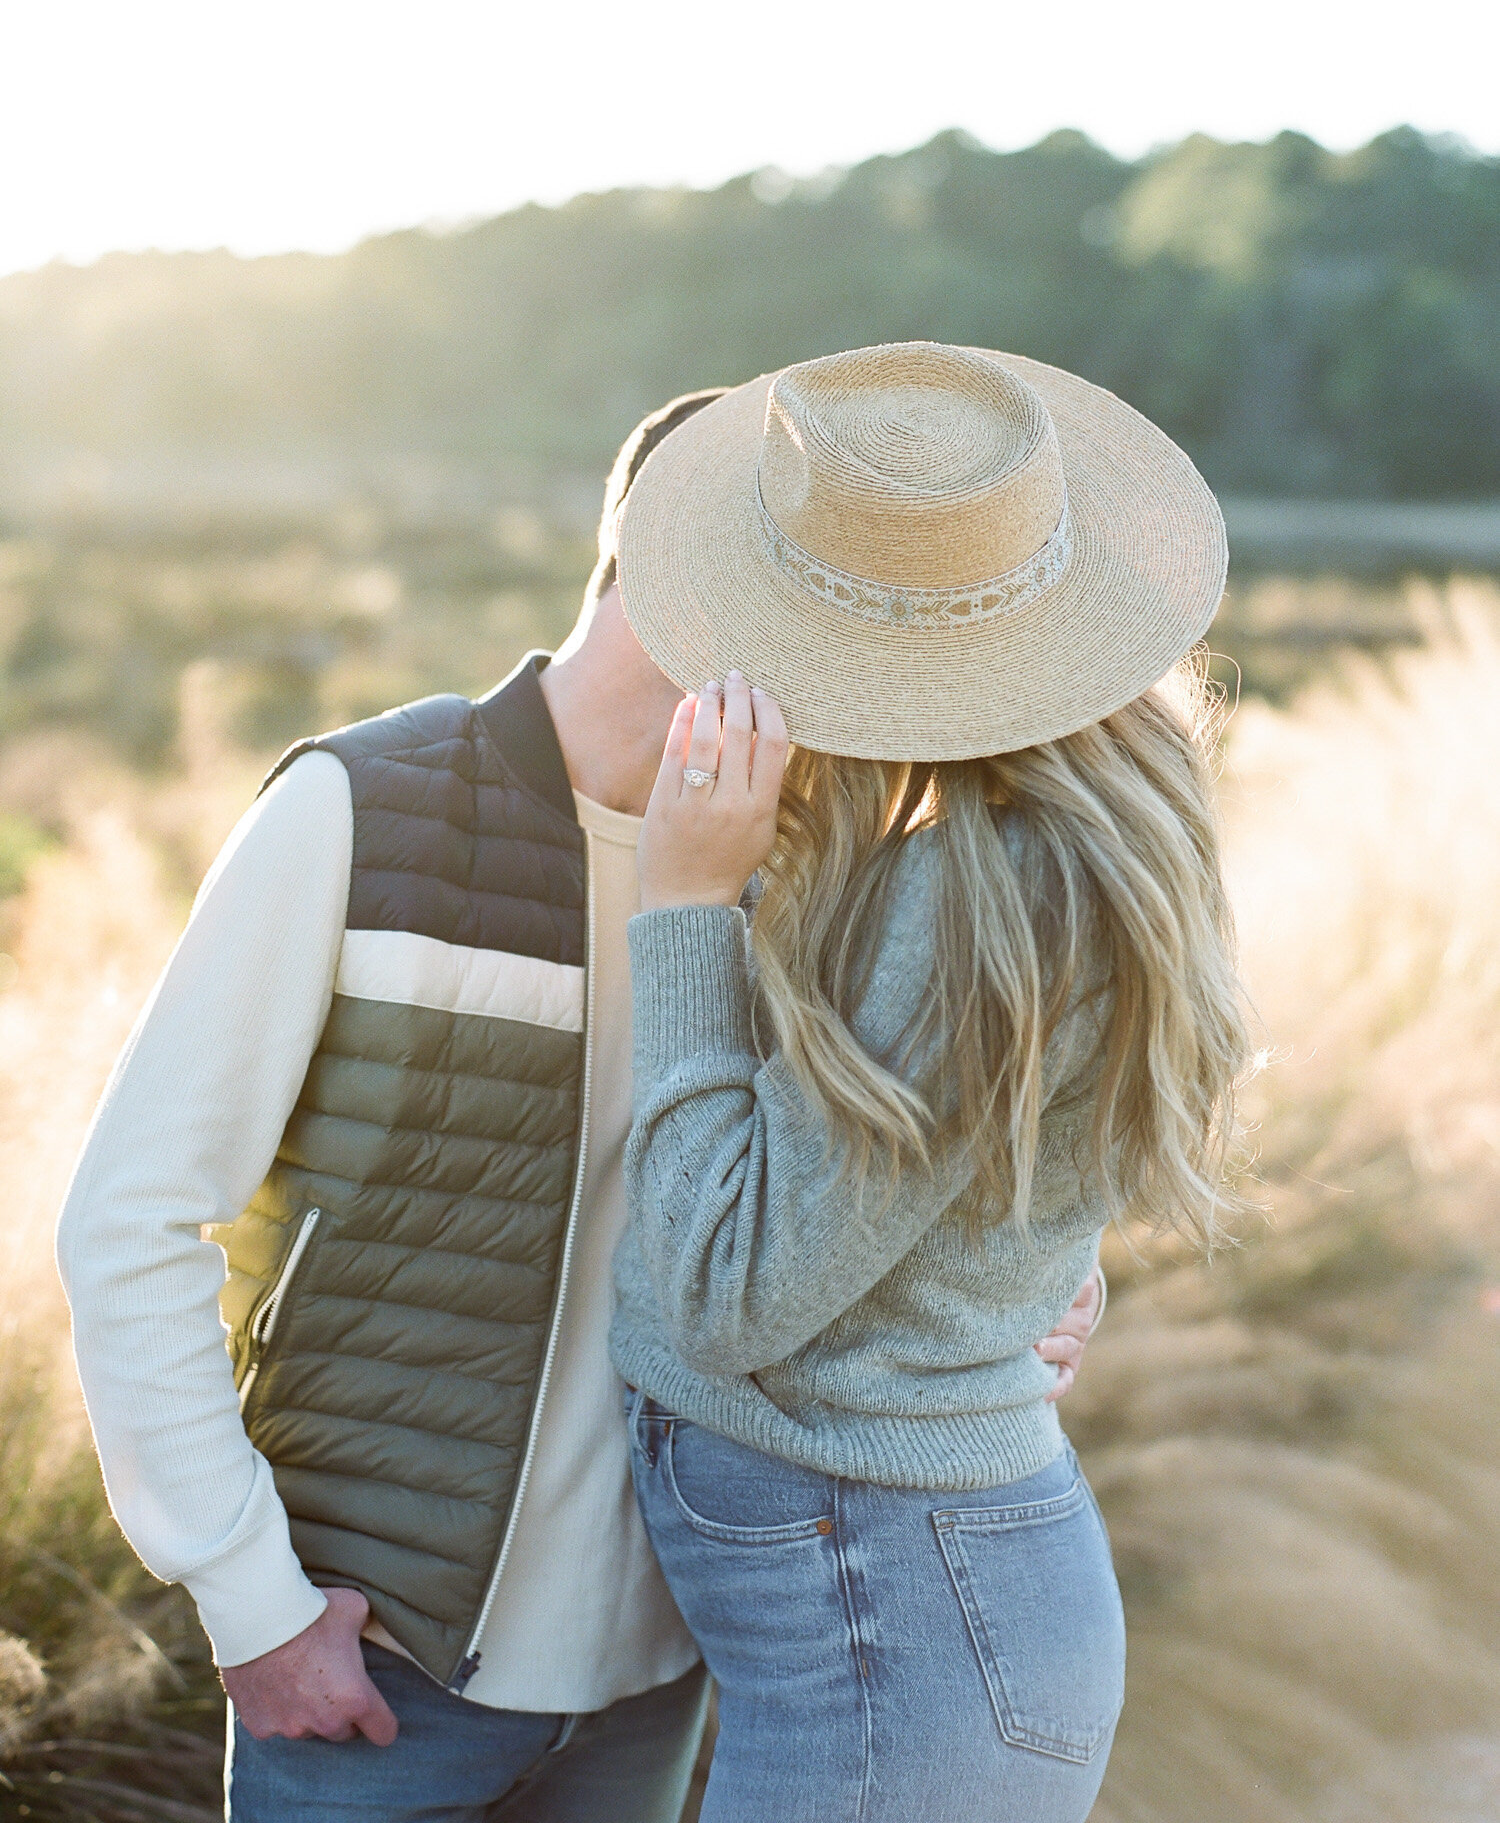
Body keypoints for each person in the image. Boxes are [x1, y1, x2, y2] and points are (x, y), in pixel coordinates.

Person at [54, 379, 1104, 1823]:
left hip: (663, 1676)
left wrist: (1039, 1280)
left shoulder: (808, 886)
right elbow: (127, 1223)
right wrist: (251, 1603)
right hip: (376, 1674)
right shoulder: (364, 812)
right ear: (670, 563)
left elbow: (867, 1191)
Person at [606, 341, 1250, 1823]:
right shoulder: (1071, 835)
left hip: (899, 1608)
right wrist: (1023, 1290)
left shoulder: (972, 891)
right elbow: (976, 1173)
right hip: (927, 1602)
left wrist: (687, 913)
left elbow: (730, 1291)